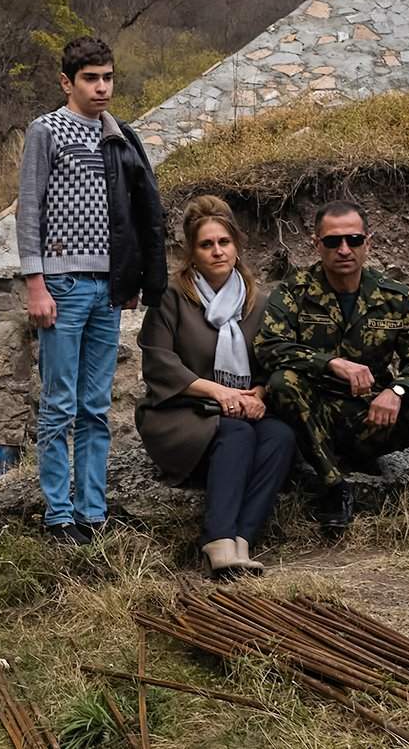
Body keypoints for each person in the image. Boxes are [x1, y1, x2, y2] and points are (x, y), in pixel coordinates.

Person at [16, 35, 167, 543]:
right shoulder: (46, 130)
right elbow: (29, 210)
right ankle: (58, 514)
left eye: (107, 77)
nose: (101, 87)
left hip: (108, 287)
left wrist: (131, 280)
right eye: (90, 78)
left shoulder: (120, 135)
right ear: (67, 81)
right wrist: (35, 284)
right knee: (59, 403)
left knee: (96, 406)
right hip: (61, 283)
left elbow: (136, 212)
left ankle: (92, 511)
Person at [256, 201, 409, 537]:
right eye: (333, 241)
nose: (344, 250)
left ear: (369, 242)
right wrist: (331, 363)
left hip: (374, 417)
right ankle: (333, 485)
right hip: (315, 418)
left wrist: (397, 392)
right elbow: (268, 348)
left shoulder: (394, 297)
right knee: (282, 382)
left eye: (354, 240)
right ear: (316, 244)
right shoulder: (294, 292)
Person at [134, 195, 296, 578]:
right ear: (192, 252)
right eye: (206, 245)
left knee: (280, 436)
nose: (217, 252)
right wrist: (219, 393)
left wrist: (259, 394)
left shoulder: (259, 303)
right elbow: (158, 361)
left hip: (239, 407)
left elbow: (277, 361)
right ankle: (217, 539)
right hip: (180, 413)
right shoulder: (171, 298)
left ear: (237, 246)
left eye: (224, 242)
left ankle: (242, 539)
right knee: (237, 433)